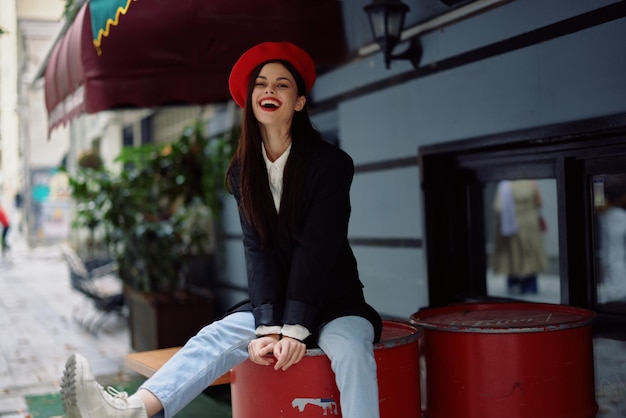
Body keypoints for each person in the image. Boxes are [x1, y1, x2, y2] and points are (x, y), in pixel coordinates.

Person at [60, 41, 383, 418]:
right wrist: (268, 326)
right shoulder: (242, 172)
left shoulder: (331, 165)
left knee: (350, 350)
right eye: (261, 84)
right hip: (273, 305)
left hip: (335, 301)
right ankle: (130, 411)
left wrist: (293, 328)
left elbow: (317, 248)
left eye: (282, 85)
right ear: (250, 101)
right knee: (215, 336)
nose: (269, 91)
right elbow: (257, 251)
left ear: (299, 102)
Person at [491, 179, 549, 294]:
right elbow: (539, 202)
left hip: (511, 225)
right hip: (530, 224)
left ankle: (513, 284)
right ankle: (530, 286)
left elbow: (498, 207)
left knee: (513, 256)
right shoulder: (530, 183)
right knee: (530, 255)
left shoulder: (505, 185)